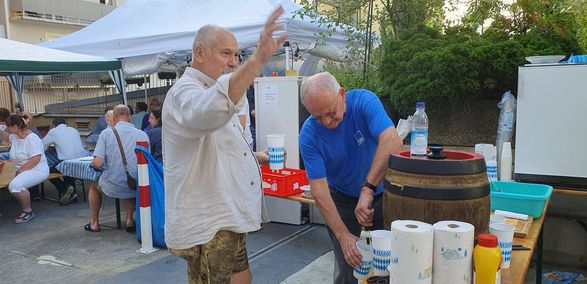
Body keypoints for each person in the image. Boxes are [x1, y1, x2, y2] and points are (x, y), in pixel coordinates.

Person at [162, 6, 286, 283]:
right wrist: (257, 60)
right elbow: (206, 113)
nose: (233, 61)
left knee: (242, 276)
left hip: (227, 214)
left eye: (237, 54)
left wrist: (254, 157)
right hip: (210, 222)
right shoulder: (183, 92)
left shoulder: (209, 88)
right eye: (226, 53)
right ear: (200, 53)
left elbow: (216, 145)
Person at [298, 72, 403, 283]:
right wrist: (342, 235)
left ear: (342, 95)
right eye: (318, 117)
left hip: (383, 196)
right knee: (350, 264)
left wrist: (367, 189)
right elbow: (319, 190)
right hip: (341, 200)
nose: (327, 122)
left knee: (388, 264)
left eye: (330, 112)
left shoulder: (364, 101)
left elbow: (392, 141)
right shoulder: (309, 135)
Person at [86, 104, 149, 233]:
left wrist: (92, 162)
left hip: (114, 186)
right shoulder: (142, 134)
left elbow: (98, 163)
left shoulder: (106, 134)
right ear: (129, 117)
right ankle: (130, 219)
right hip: (136, 185)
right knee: (130, 176)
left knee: (93, 185)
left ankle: (94, 223)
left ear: (113, 118)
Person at [1, 114, 50, 223]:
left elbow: (35, 159)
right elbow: (5, 136)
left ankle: (27, 210)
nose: (7, 129)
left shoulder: (32, 138)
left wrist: (18, 171)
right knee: (12, 184)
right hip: (22, 169)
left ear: (14, 127)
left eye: (8, 127)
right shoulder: (15, 137)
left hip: (37, 170)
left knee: (15, 185)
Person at [42, 118, 88, 205]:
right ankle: (70, 191)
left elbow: (42, 146)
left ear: (54, 125)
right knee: (67, 167)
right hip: (81, 162)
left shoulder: (53, 131)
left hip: (68, 163)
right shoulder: (74, 130)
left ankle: (65, 189)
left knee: (47, 172)